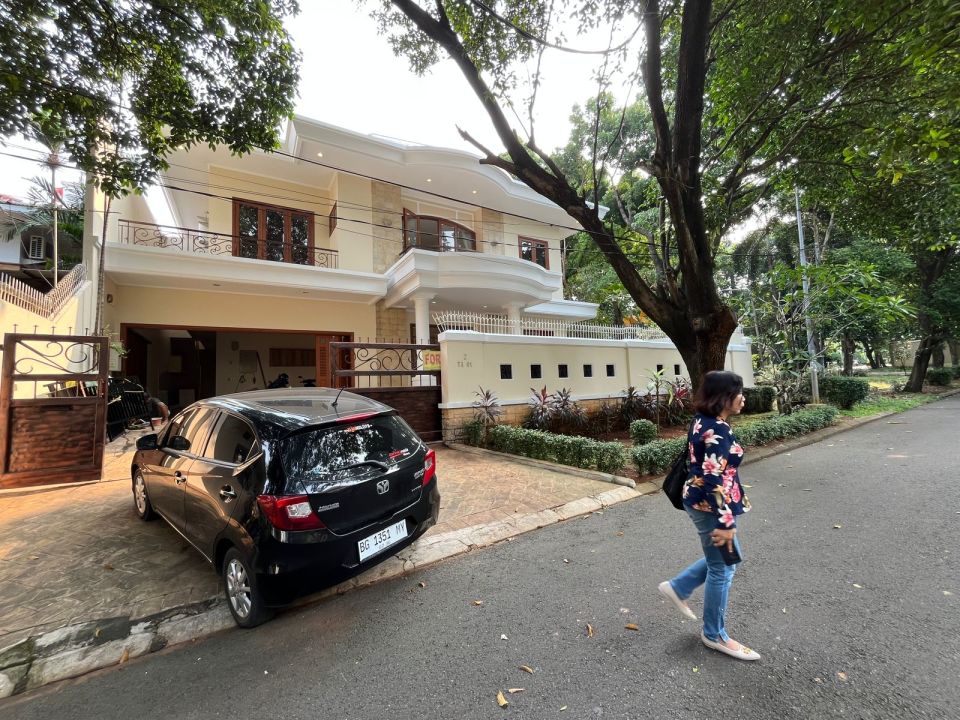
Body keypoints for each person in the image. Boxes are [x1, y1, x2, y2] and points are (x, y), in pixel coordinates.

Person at [658, 370, 760, 661]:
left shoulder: (703, 420)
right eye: (738, 392)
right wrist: (725, 522)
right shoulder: (717, 430)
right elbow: (713, 479)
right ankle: (714, 635)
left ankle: (679, 587)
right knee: (722, 568)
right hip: (712, 507)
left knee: (727, 560)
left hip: (704, 502)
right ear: (723, 397)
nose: (743, 398)